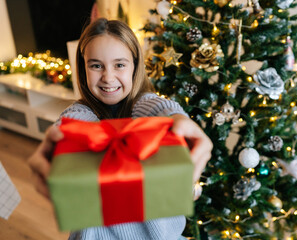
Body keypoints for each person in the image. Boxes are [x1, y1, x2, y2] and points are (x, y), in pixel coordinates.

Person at [28, 18, 212, 240]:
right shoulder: (81, 112)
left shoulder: (143, 104)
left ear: (135, 66)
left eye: (119, 64)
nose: (108, 77)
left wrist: (176, 118)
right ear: (83, 67)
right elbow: (74, 121)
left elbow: (154, 105)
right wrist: (62, 137)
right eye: (96, 65)